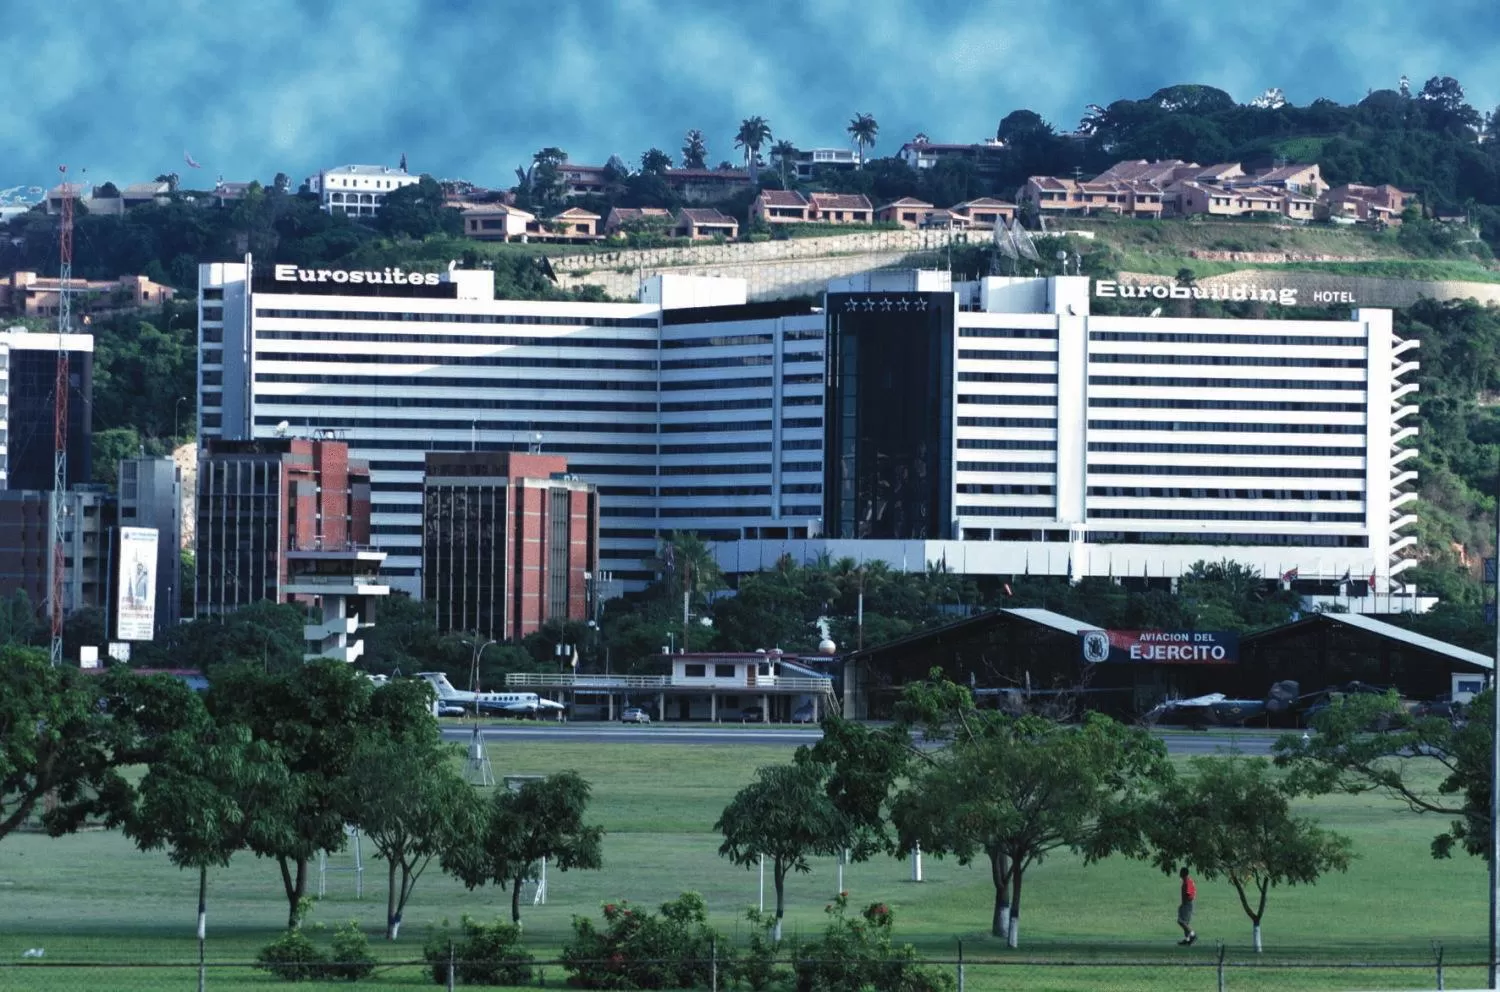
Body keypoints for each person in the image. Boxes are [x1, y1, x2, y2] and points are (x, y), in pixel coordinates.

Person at [1176, 866, 1198, 945]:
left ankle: (1193, 934)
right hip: (1186, 904)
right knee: (1185, 922)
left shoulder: (1187, 882)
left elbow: (1188, 894)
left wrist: (1184, 904)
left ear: (1183, 873)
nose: (1180, 873)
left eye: (1181, 872)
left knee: (1181, 921)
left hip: (1187, 904)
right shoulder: (1187, 881)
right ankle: (1187, 939)